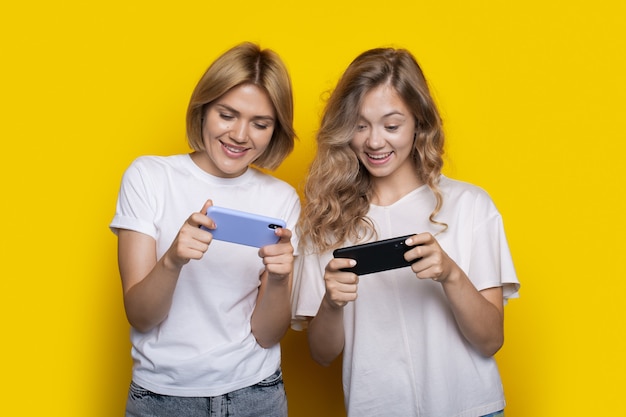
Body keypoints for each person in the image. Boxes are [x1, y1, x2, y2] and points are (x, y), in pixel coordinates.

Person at [292, 47, 520, 417]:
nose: (374, 142)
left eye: (392, 125)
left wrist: (450, 274)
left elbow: (491, 340)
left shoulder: (470, 206)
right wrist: (332, 304)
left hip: (470, 409)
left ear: (419, 123)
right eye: (360, 125)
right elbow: (321, 355)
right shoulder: (325, 219)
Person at [110, 42, 299, 417]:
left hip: (255, 395)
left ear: (275, 130)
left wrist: (280, 278)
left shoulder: (282, 198)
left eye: (260, 124)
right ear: (204, 109)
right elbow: (141, 316)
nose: (241, 135)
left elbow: (267, 335)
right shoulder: (150, 177)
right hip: (162, 398)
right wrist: (173, 260)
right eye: (227, 115)